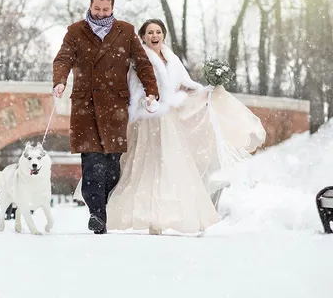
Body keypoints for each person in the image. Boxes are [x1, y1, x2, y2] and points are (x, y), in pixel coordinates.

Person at [105, 19, 266, 235]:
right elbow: (134, 86)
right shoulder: (139, 58)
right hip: (148, 119)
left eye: (158, 32)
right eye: (150, 32)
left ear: (163, 35)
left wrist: (207, 88)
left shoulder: (173, 59)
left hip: (168, 120)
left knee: (170, 164)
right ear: (143, 36)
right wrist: (146, 101)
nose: (155, 36)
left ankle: (166, 216)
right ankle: (150, 217)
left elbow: (186, 85)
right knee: (149, 164)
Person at [52, 0, 159, 234]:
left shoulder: (125, 31)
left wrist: (151, 90)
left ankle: (108, 209)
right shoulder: (76, 31)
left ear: (112, 8)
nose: (101, 14)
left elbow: (142, 63)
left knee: (112, 167)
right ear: (90, 5)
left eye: (105, 9)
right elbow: (63, 58)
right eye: (97, 8)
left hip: (115, 107)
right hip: (85, 106)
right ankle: (96, 214)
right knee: (91, 164)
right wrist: (60, 80)